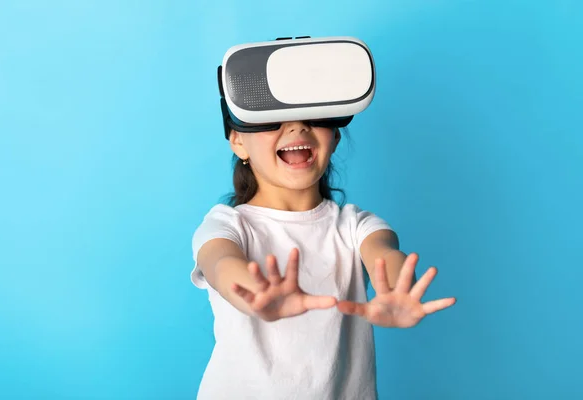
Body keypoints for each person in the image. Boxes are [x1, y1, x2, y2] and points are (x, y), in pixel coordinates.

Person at [190, 36, 456, 400]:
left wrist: (396, 287)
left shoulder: (354, 226)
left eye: (313, 116)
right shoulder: (227, 225)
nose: (297, 127)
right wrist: (254, 294)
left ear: (334, 138)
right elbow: (220, 264)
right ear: (238, 141)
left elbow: (383, 253)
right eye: (273, 118)